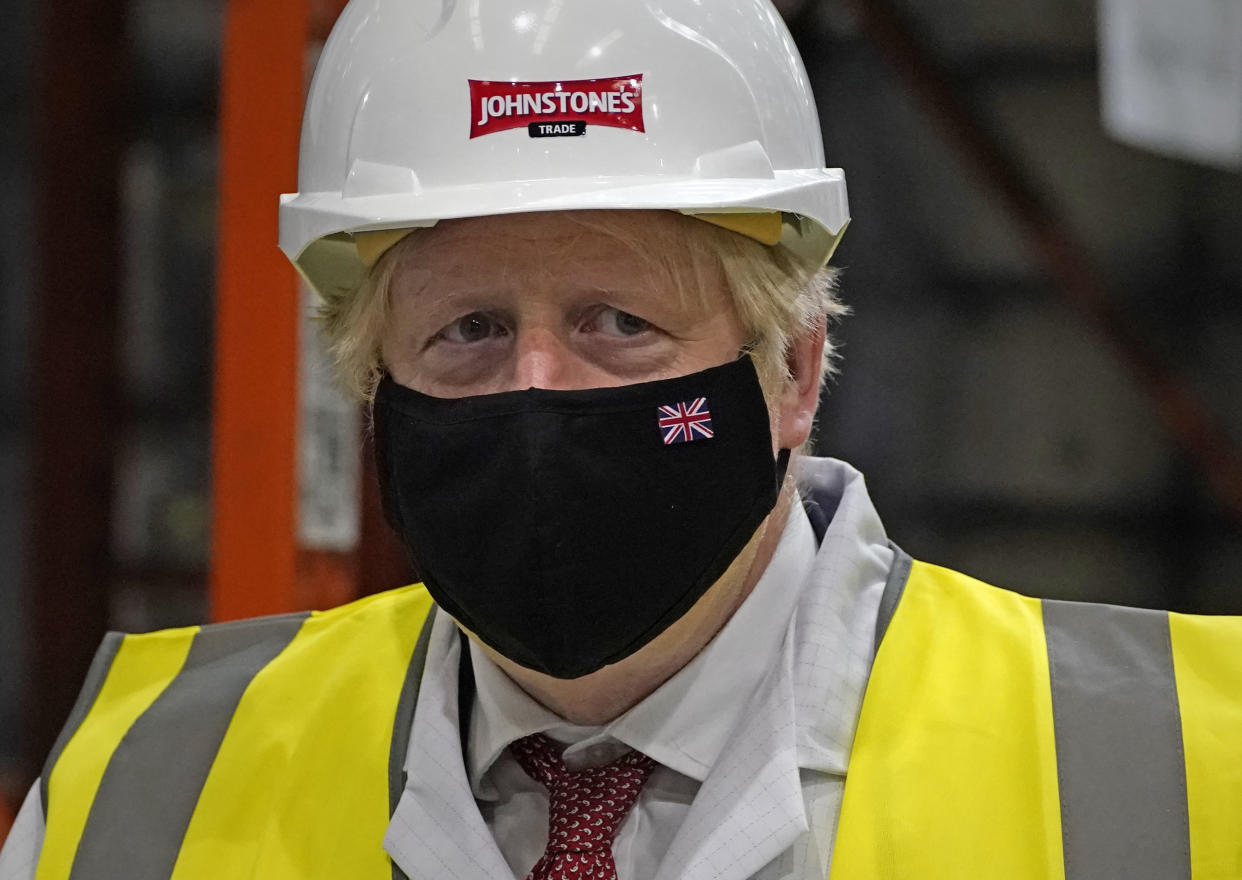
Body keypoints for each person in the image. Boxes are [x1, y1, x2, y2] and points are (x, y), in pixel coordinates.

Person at [3, 1, 1240, 878]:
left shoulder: (1183, 774)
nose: (540, 391)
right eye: (470, 330)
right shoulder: (139, 788)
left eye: (620, 322)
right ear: (373, 388)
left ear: (794, 371)